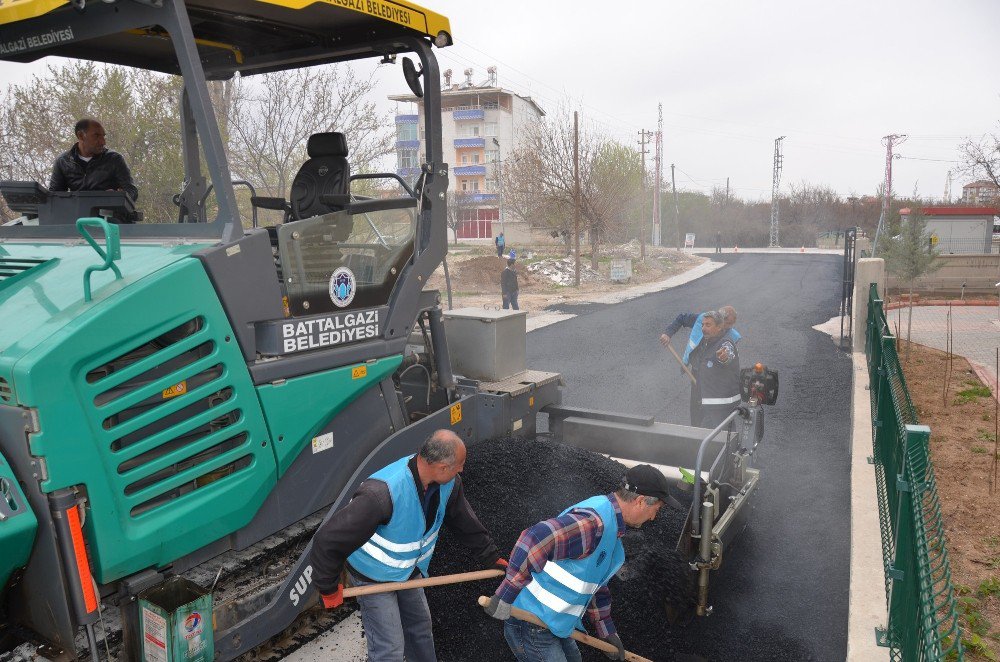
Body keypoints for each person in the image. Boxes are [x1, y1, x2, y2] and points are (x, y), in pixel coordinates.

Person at [310, 430, 506, 662]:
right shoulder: (382, 493)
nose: (462, 469)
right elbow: (327, 540)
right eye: (459, 465)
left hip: (410, 571)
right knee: (389, 648)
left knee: (420, 632)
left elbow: (464, 521)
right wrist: (328, 587)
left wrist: (490, 556)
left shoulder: (449, 484)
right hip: (373, 576)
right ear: (442, 467)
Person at [482, 464, 671, 662]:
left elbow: (594, 585)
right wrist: (505, 595)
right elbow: (534, 539)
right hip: (530, 622)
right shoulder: (593, 523)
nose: (653, 517)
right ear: (641, 501)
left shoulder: (611, 527)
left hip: (557, 624)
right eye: (655, 510)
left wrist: (607, 632)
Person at [659, 306, 740, 426]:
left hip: (715, 385)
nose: (727, 327)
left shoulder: (727, 337)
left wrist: (725, 356)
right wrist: (667, 333)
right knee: (697, 409)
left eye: (730, 325)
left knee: (714, 419)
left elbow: (728, 351)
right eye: (727, 324)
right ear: (720, 321)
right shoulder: (703, 320)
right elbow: (682, 318)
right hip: (698, 373)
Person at [49, 118, 138, 201]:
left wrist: (118, 196)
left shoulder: (114, 159)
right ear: (81, 136)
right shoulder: (63, 162)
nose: (103, 142)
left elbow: (132, 191)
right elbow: (54, 197)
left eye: (103, 136)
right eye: (96, 136)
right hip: (76, 216)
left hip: (107, 215)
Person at [686, 310, 742, 428]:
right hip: (712, 404)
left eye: (708, 325)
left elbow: (728, 353)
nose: (703, 328)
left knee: (720, 439)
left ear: (719, 327)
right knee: (718, 438)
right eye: (702, 325)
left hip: (722, 405)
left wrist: (725, 356)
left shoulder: (725, 343)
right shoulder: (708, 343)